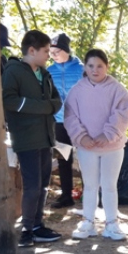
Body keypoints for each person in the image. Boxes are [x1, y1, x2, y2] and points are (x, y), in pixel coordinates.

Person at [64, 48, 128, 241]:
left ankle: (112, 224)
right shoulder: (77, 90)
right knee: (90, 185)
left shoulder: (118, 89)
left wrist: (108, 133)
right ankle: (88, 222)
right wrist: (81, 137)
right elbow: (70, 117)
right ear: (85, 67)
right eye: (91, 66)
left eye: (100, 66)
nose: (95, 70)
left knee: (109, 185)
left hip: (112, 146)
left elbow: (123, 112)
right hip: (87, 147)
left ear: (107, 67)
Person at [2, 30, 63, 247]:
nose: (49, 55)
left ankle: (37, 225)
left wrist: (48, 107)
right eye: (46, 51)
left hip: (46, 137)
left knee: (43, 185)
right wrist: (42, 108)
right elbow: (8, 100)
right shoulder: (13, 71)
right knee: (32, 186)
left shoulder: (45, 74)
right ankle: (26, 230)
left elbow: (56, 101)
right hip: (26, 138)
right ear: (31, 50)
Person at [47, 32, 83, 209]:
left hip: (80, 120)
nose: (53, 55)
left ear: (66, 50)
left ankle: (91, 193)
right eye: (50, 52)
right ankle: (66, 195)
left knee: (85, 156)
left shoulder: (81, 69)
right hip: (58, 121)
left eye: (56, 51)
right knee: (63, 158)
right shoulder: (48, 71)